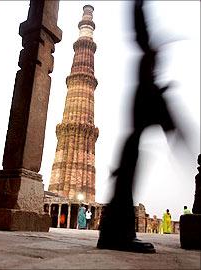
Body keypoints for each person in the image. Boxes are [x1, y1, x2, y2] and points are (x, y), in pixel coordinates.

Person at [96, 0, 178, 254]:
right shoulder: (146, 68)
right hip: (132, 142)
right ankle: (116, 236)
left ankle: (113, 233)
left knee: (124, 183)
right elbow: (141, 33)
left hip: (132, 141)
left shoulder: (149, 79)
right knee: (125, 183)